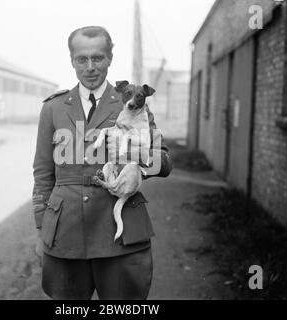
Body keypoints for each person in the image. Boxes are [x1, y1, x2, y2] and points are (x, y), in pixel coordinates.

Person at [32, 26, 172, 300]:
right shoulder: (53, 108)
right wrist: (41, 231)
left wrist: (139, 170)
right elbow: (42, 173)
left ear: (110, 57)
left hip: (120, 237)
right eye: (81, 59)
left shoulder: (134, 104)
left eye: (98, 58)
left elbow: (164, 161)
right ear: (72, 59)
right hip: (65, 233)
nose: (90, 67)